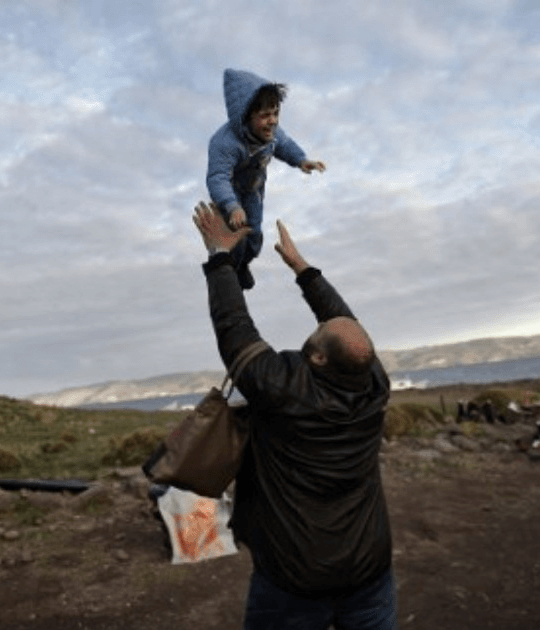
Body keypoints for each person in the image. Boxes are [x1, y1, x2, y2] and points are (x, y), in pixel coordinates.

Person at [192, 201, 397, 630]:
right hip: (369, 570)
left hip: (294, 580)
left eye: (317, 332)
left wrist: (220, 256)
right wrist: (302, 268)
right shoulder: (373, 383)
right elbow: (345, 327)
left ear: (318, 358)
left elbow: (234, 328)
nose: (320, 324)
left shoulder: (281, 389)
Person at [206, 68, 326, 290]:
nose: (272, 121)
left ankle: (244, 263)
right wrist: (231, 206)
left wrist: (301, 160)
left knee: (254, 234)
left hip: (253, 190)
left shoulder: (272, 134)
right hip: (230, 194)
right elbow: (217, 177)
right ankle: (230, 269)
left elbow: (285, 145)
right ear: (246, 117)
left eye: (275, 113)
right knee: (237, 235)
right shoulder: (225, 143)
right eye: (265, 116)